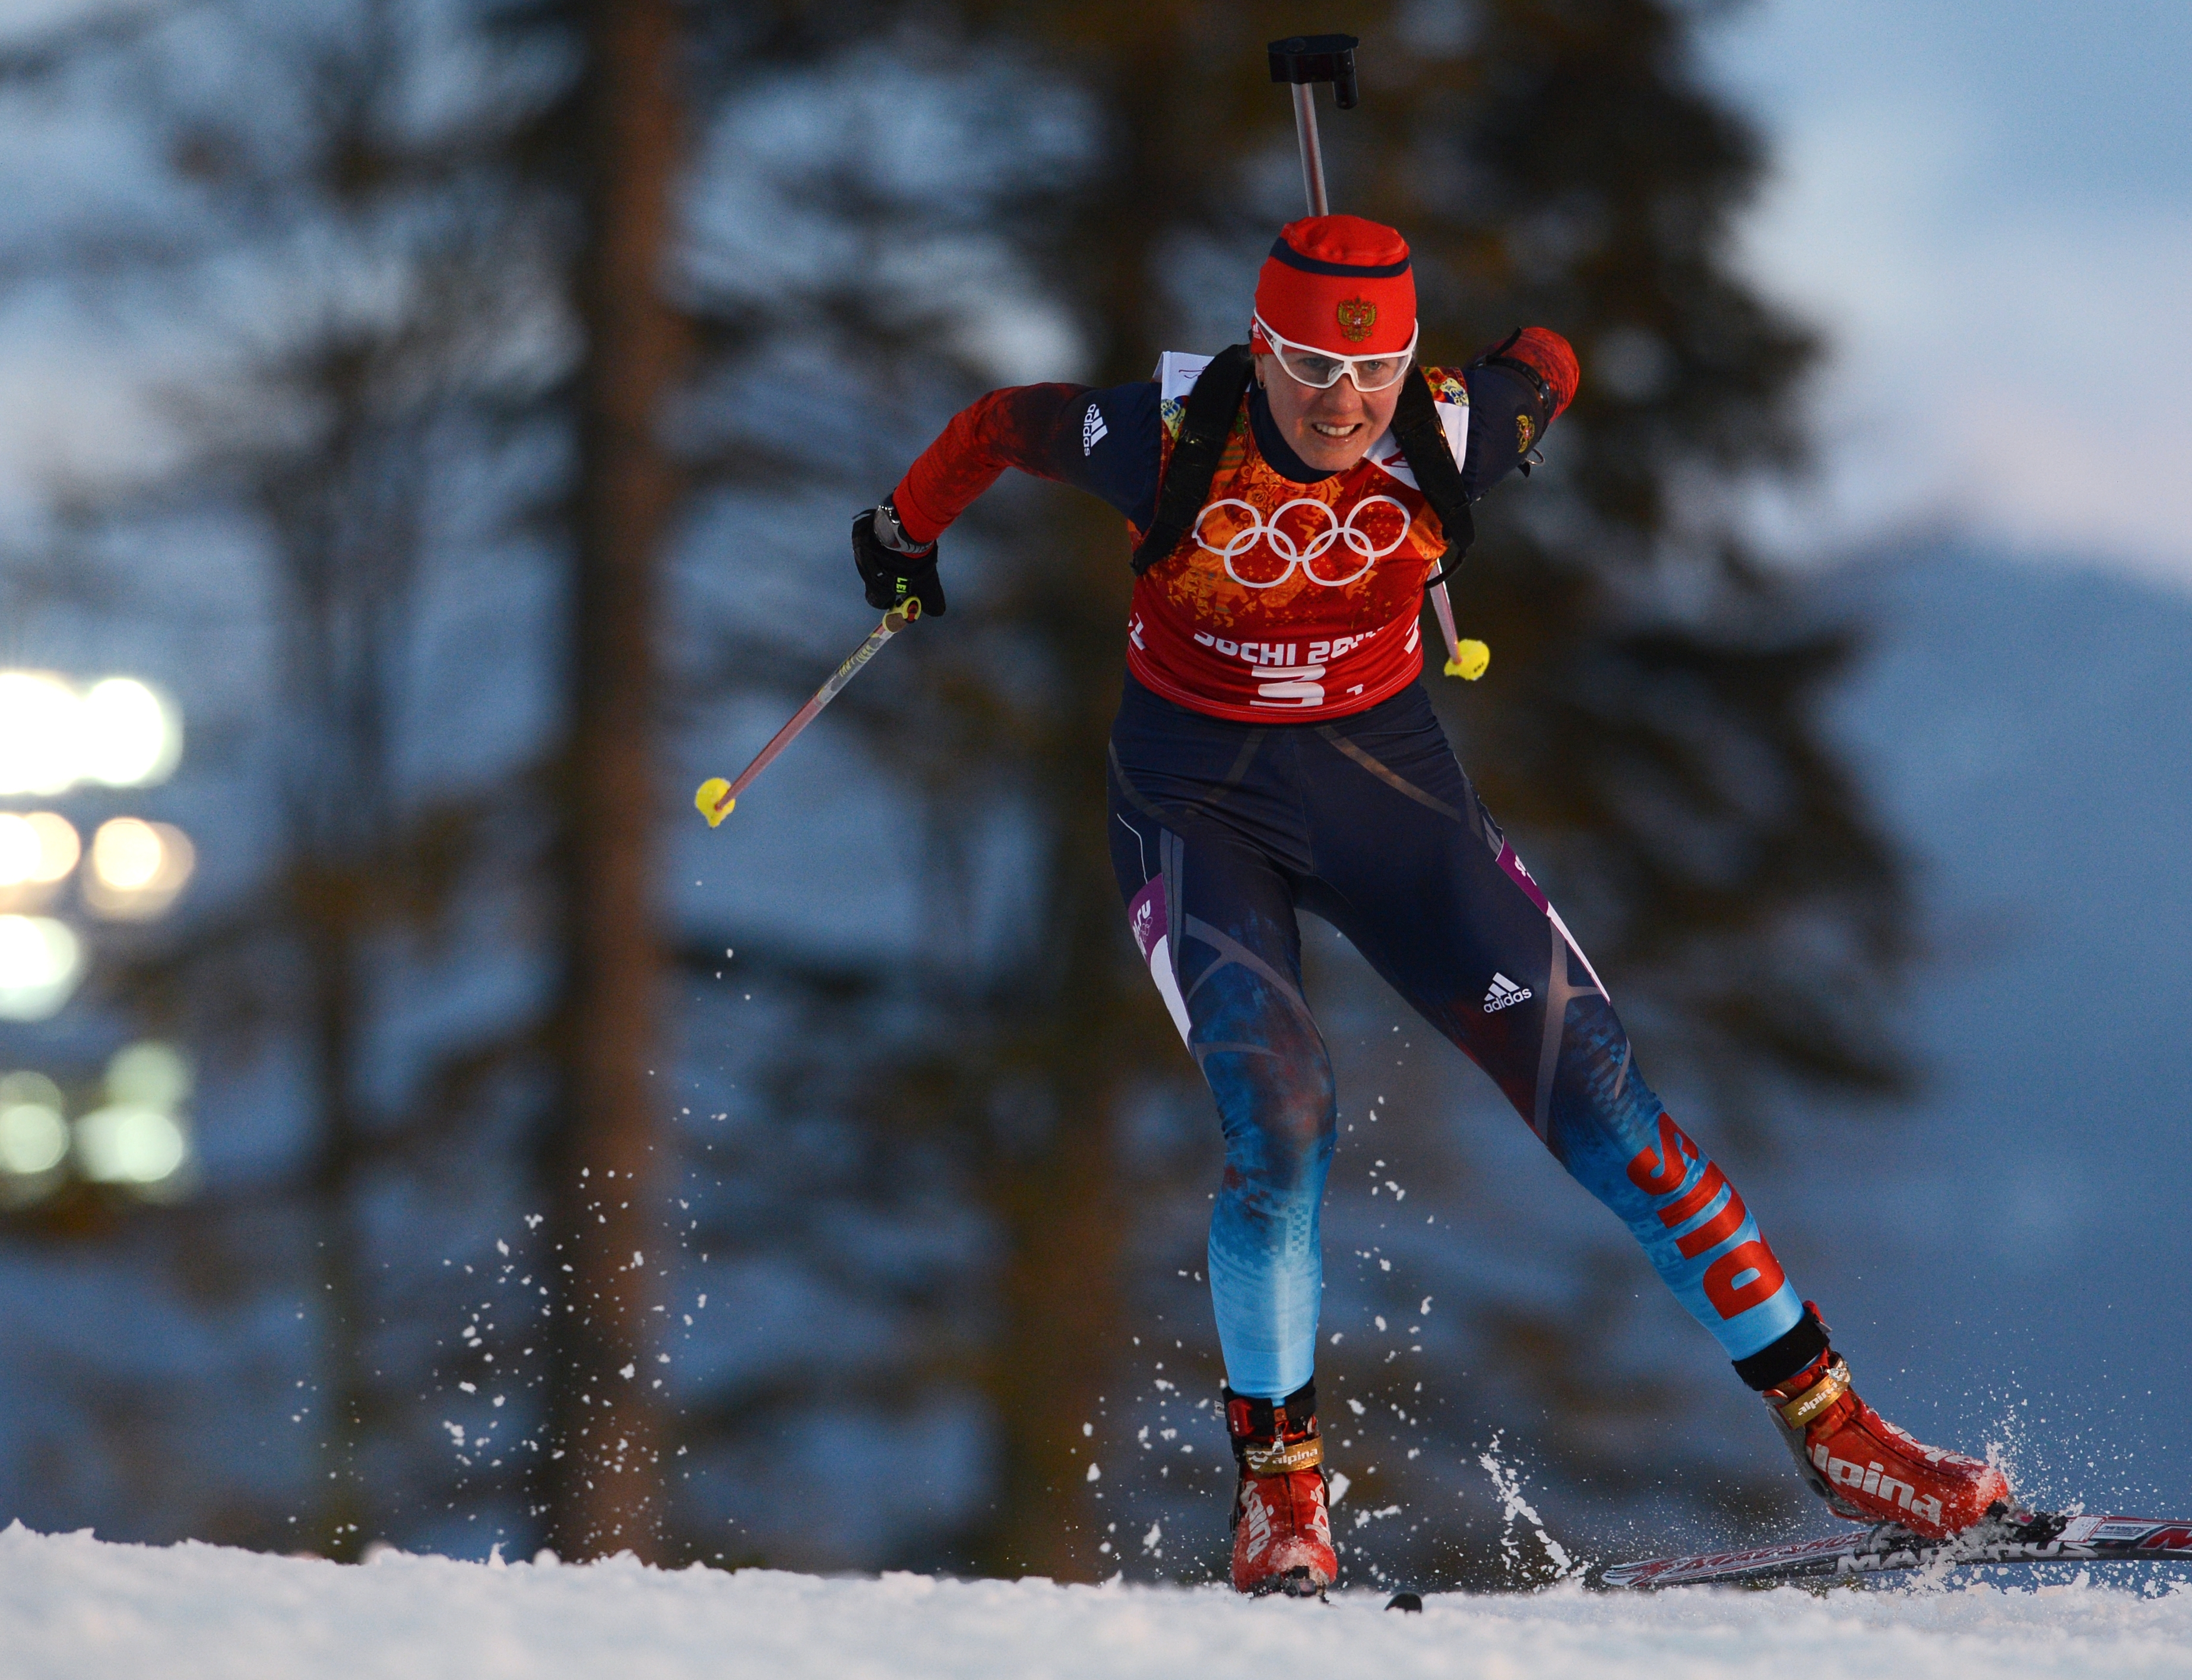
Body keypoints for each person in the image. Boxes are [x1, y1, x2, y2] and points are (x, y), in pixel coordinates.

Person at [854, 214, 2006, 1597]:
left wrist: (1490, 398)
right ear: (1256, 347)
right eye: (1304, 371)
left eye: (1373, 373)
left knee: (1596, 1096)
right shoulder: (1159, 435)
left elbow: (1551, 362)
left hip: (1383, 796)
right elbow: (991, 424)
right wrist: (899, 537)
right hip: (1193, 806)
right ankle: (1280, 1498)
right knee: (1279, 1127)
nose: (1340, 405)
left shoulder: (1449, 427)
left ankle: (1838, 1432)